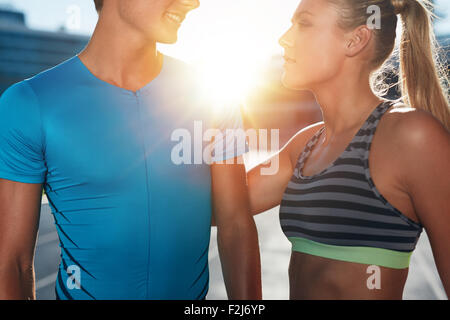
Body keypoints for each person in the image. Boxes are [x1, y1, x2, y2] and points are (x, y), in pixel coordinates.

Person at [0, 0, 261, 300]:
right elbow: (13, 263)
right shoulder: (29, 104)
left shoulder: (212, 96)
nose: (192, 2)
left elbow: (236, 225)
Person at [247, 0, 449, 299]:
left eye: (303, 23)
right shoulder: (304, 146)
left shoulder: (412, 136)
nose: (284, 38)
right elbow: (219, 206)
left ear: (355, 40)